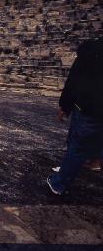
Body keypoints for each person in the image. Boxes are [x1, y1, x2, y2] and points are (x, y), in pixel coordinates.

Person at [47, 37, 103, 195]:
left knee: (77, 146)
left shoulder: (91, 49)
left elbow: (75, 80)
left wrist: (65, 105)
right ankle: (95, 161)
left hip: (90, 107)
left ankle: (58, 183)